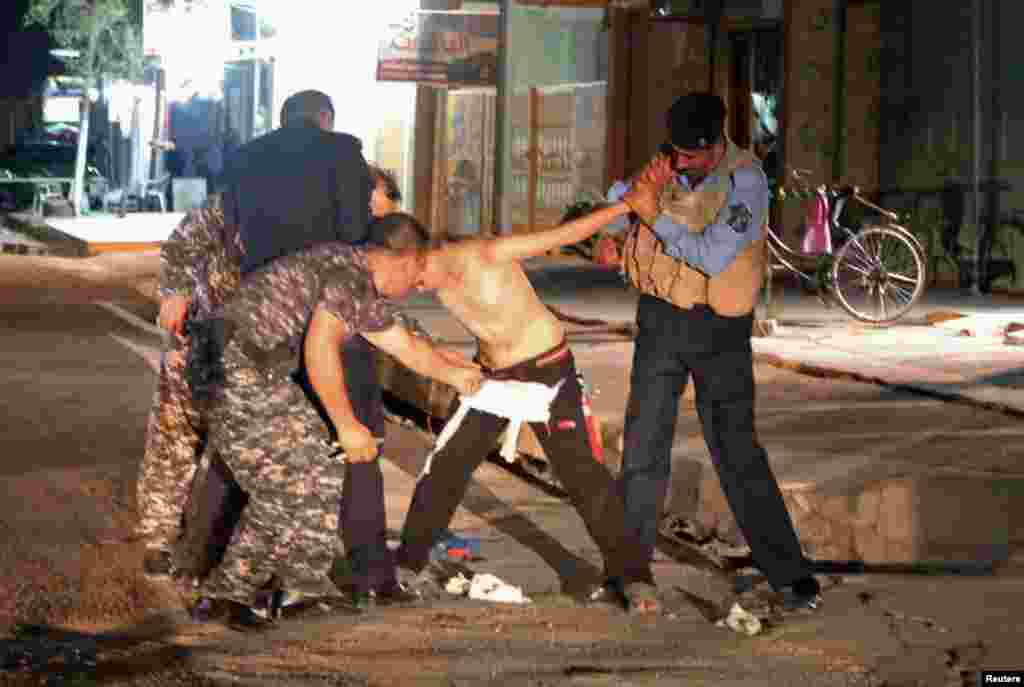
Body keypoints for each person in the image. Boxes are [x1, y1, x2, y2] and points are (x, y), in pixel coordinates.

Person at [191, 222, 483, 630]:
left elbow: (405, 345)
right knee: (287, 484)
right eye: (418, 276)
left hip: (250, 369)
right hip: (234, 369)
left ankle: (299, 586)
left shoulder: (350, 269)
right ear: (402, 259)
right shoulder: (350, 276)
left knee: (322, 465)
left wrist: (459, 373)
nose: (418, 286)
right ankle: (225, 594)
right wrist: (347, 425)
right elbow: (320, 347)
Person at [602, 92, 821, 611]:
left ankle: (789, 576)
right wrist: (615, 226)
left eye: (689, 156)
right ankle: (630, 574)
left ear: (716, 143)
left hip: (718, 329)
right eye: (674, 153)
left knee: (737, 451)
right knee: (643, 447)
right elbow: (620, 197)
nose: (679, 163)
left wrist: (651, 212)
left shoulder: (747, 181)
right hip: (660, 320)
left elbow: (710, 254)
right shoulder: (667, 162)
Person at [390, 201, 661, 613]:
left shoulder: (485, 253)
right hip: (494, 379)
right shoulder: (431, 277)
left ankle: (635, 578)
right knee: (445, 465)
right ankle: (409, 563)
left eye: (416, 277)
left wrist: (625, 205)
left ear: (417, 256)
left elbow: (564, 236)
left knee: (586, 479)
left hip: (550, 375)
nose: (417, 288)